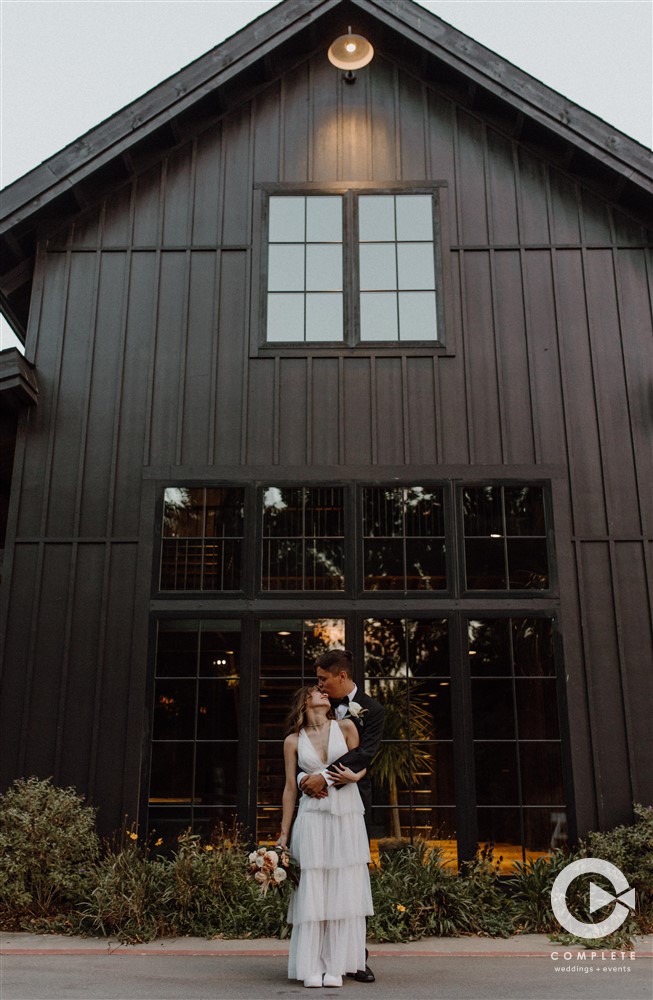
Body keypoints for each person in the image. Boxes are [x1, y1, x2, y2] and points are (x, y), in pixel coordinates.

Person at [276, 685, 373, 988]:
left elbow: (362, 765)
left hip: (345, 814)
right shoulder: (292, 741)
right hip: (312, 818)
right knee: (314, 890)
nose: (323, 692)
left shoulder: (345, 727)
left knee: (342, 888)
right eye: (316, 690)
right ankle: (312, 964)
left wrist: (353, 776)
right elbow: (291, 788)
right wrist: (283, 833)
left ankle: (337, 964)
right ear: (305, 701)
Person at [299, 649, 385, 983]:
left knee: (351, 881)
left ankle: (355, 958)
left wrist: (326, 778)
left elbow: (366, 753)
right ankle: (318, 957)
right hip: (316, 806)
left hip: (350, 802)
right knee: (321, 881)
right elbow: (298, 746)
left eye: (323, 679)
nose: (318, 684)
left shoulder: (373, 710)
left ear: (342, 677)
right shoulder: (318, 704)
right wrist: (305, 780)